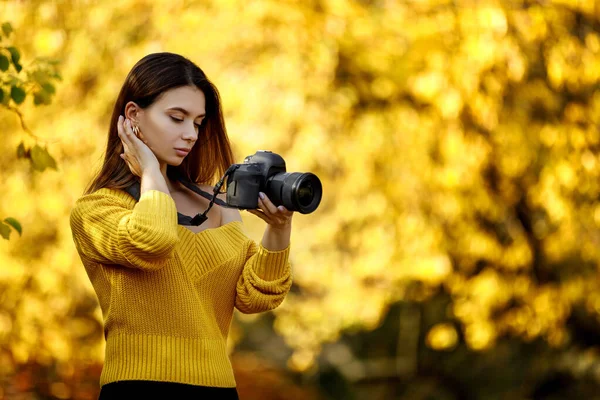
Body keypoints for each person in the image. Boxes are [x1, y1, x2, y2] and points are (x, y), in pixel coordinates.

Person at [69, 52, 294, 399]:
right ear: (132, 117)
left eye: (198, 122)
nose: (190, 134)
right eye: (177, 118)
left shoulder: (216, 203)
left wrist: (278, 229)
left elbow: (254, 297)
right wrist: (151, 173)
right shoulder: (97, 210)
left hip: (219, 387)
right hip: (138, 387)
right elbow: (153, 241)